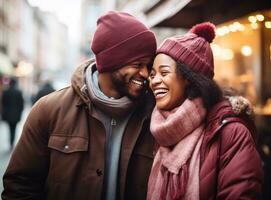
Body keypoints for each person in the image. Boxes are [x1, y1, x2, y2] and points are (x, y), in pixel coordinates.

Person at [2, 11, 157, 200]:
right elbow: (20, 186)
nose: (144, 73)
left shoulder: (156, 115)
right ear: (112, 61)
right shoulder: (49, 111)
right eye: (138, 63)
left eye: (148, 66)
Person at [147, 22, 263, 199]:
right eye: (152, 74)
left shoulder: (231, 132)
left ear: (189, 78)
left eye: (164, 72)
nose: (154, 81)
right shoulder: (158, 129)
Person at [1, 77, 24, 150]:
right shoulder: (19, 92)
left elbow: (3, 103)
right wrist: (20, 112)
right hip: (16, 114)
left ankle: (10, 142)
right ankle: (12, 142)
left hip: (7, 114)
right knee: (14, 128)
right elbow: (21, 104)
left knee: (10, 128)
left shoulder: (5, 91)